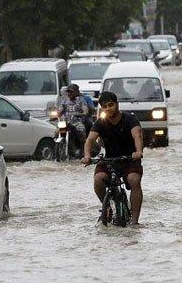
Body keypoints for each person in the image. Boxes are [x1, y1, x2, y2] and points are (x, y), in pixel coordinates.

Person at [82, 91, 144, 225]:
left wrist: (138, 151)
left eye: (111, 105)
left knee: (134, 180)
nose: (108, 109)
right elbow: (90, 140)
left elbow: (137, 136)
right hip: (109, 159)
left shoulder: (130, 119)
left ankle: (135, 220)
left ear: (117, 104)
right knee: (99, 179)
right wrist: (87, 156)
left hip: (130, 159)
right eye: (105, 107)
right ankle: (107, 208)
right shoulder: (100, 123)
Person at [58, 84, 90, 152]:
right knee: (55, 132)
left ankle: (83, 149)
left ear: (76, 92)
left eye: (71, 92)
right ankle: (57, 148)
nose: (69, 93)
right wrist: (57, 113)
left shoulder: (81, 100)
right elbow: (60, 110)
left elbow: (85, 109)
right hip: (65, 122)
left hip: (77, 122)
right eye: (68, 92)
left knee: (81, 130)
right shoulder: (64, 101)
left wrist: (84, 112)